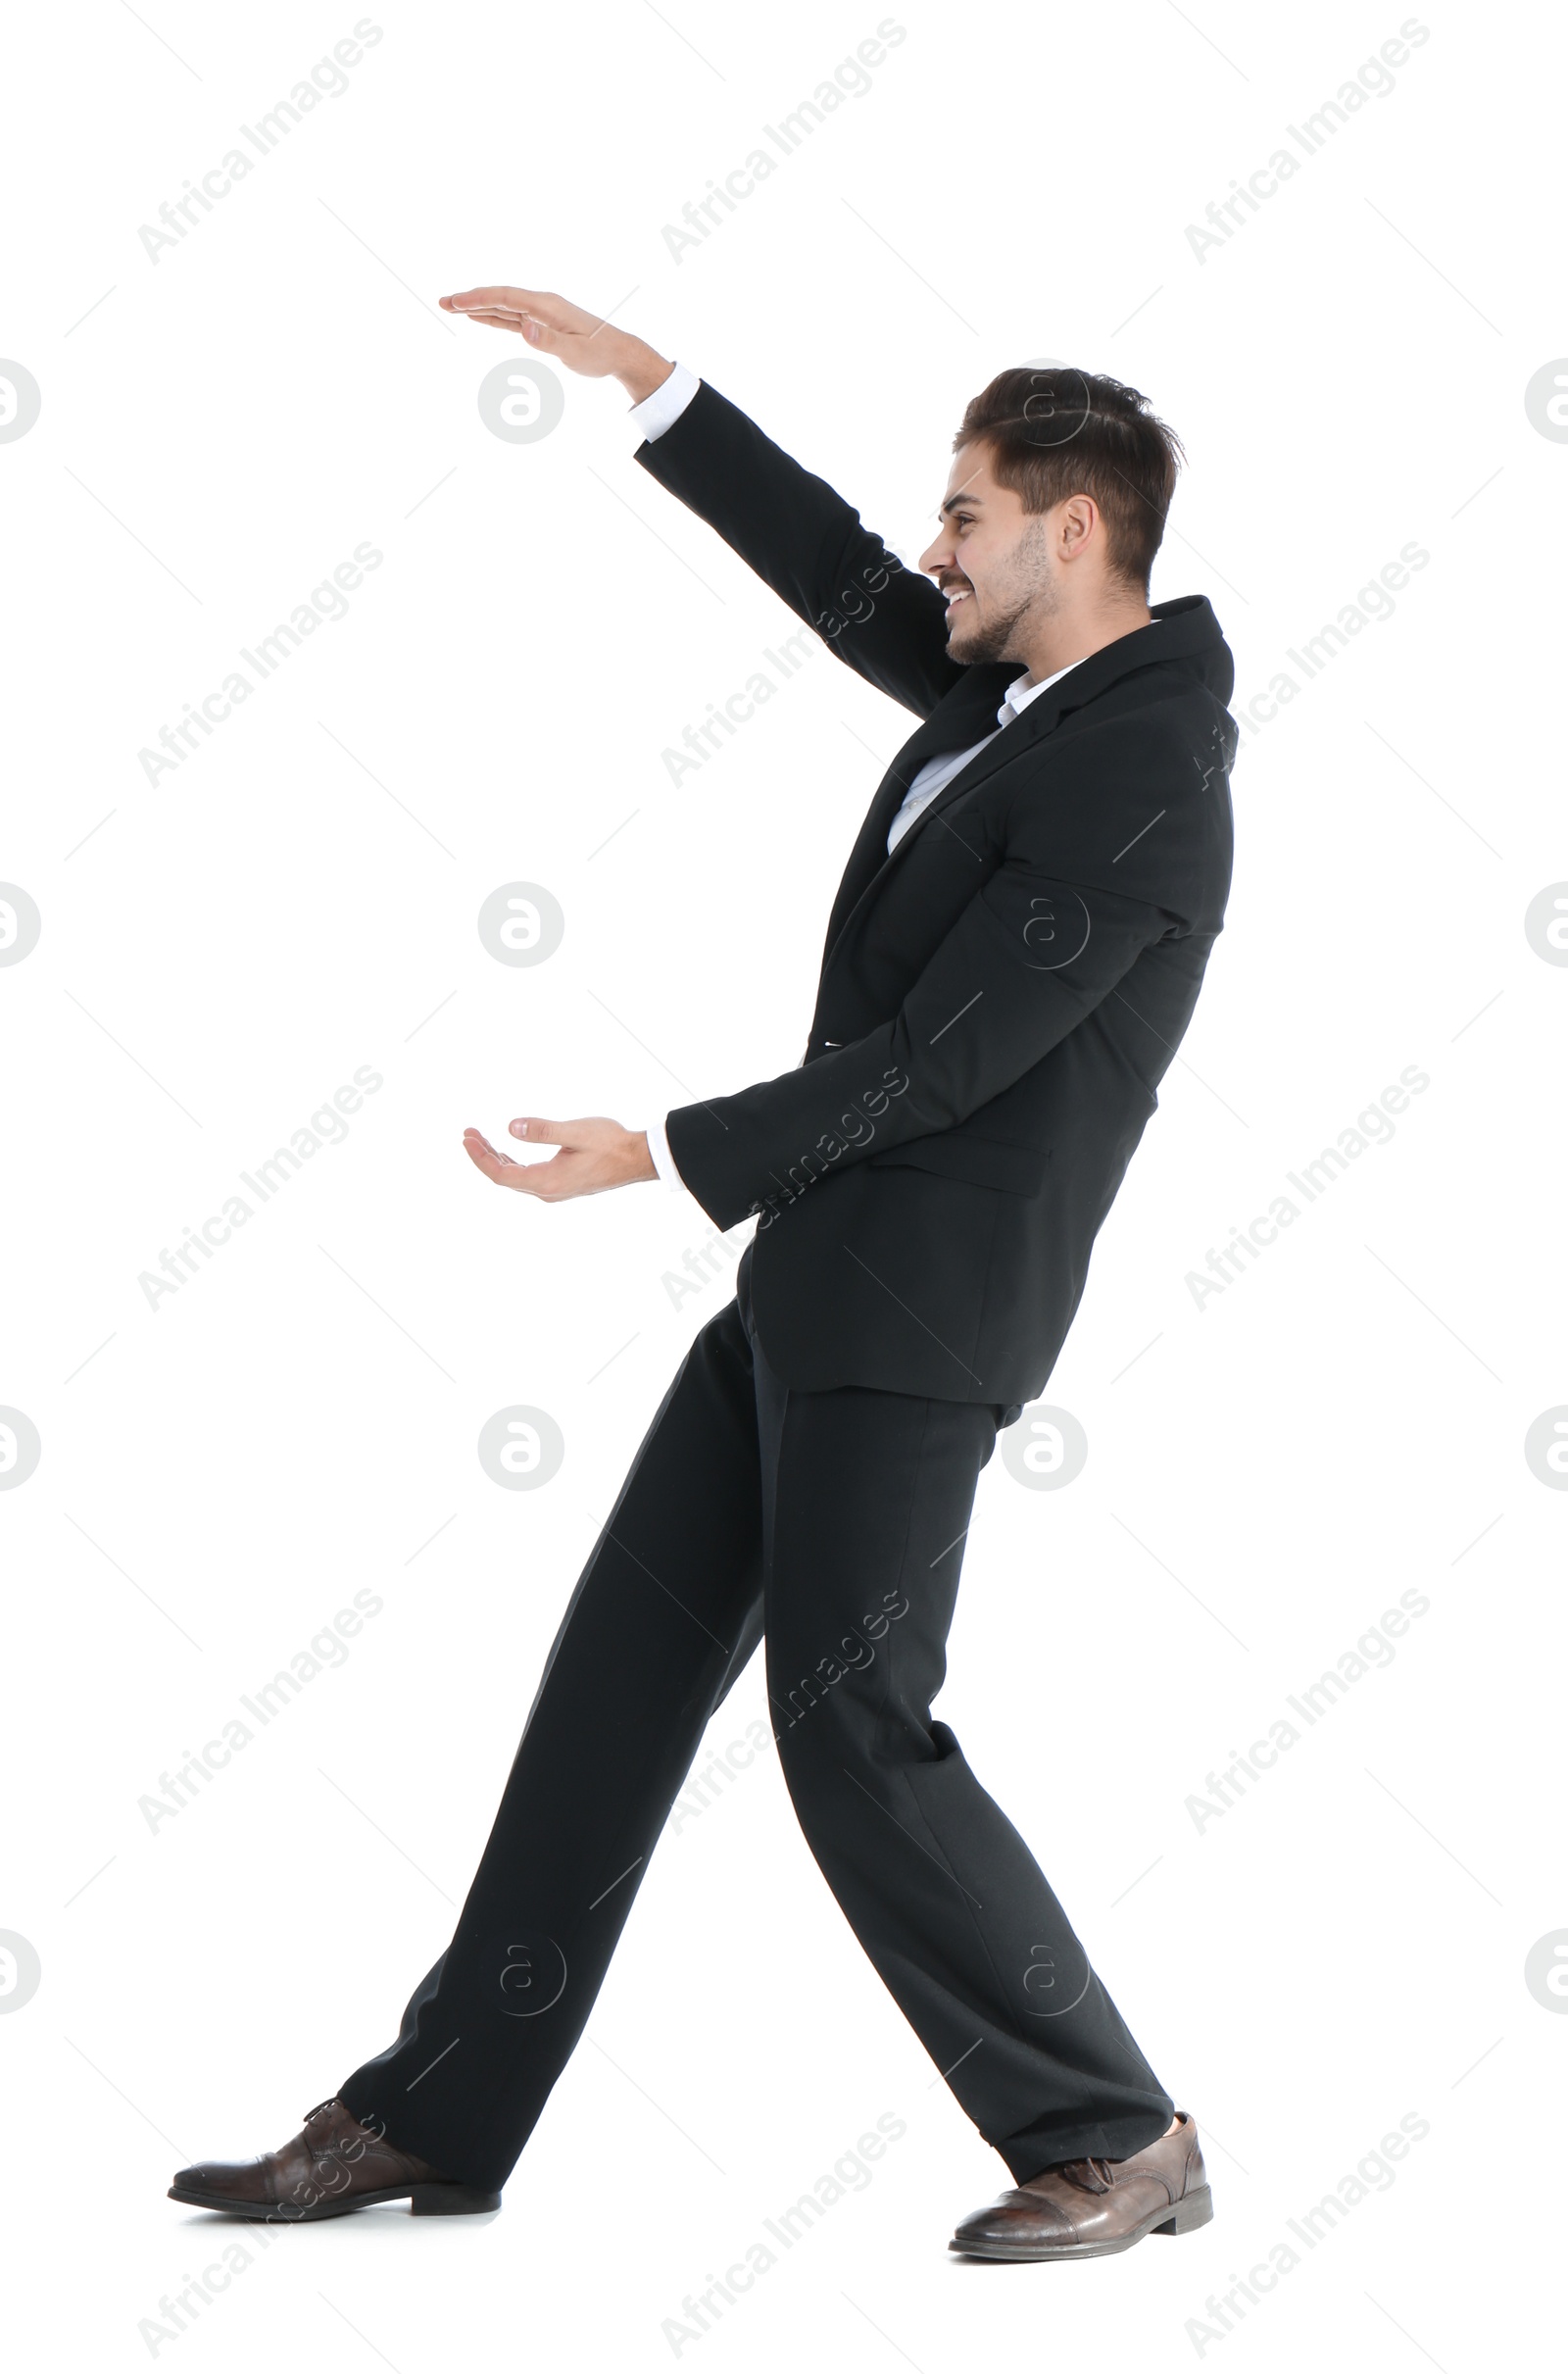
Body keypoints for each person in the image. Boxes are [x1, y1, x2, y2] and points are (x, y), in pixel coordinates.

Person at [169, 286, 1236, 2261]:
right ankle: (431, 2114)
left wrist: (660, 1151)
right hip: (807, 1295)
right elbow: (847, 586)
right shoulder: (1027, 694)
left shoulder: (1142, 769)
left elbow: (944, 1059)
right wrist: (650, 384)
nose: (934, 547)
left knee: (854, 1731)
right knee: (608, 1694)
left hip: (919, 1320)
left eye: (966, 512)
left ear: (1068, 533)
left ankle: (1110, 2124)